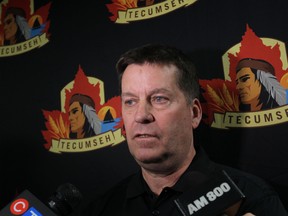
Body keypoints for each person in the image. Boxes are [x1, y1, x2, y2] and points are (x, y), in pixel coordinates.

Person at [82, 44, 288, 215]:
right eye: (130, 101)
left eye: (159, 99)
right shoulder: (100, 209)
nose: (141, 115)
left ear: (195, 113)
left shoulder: (252, 200)